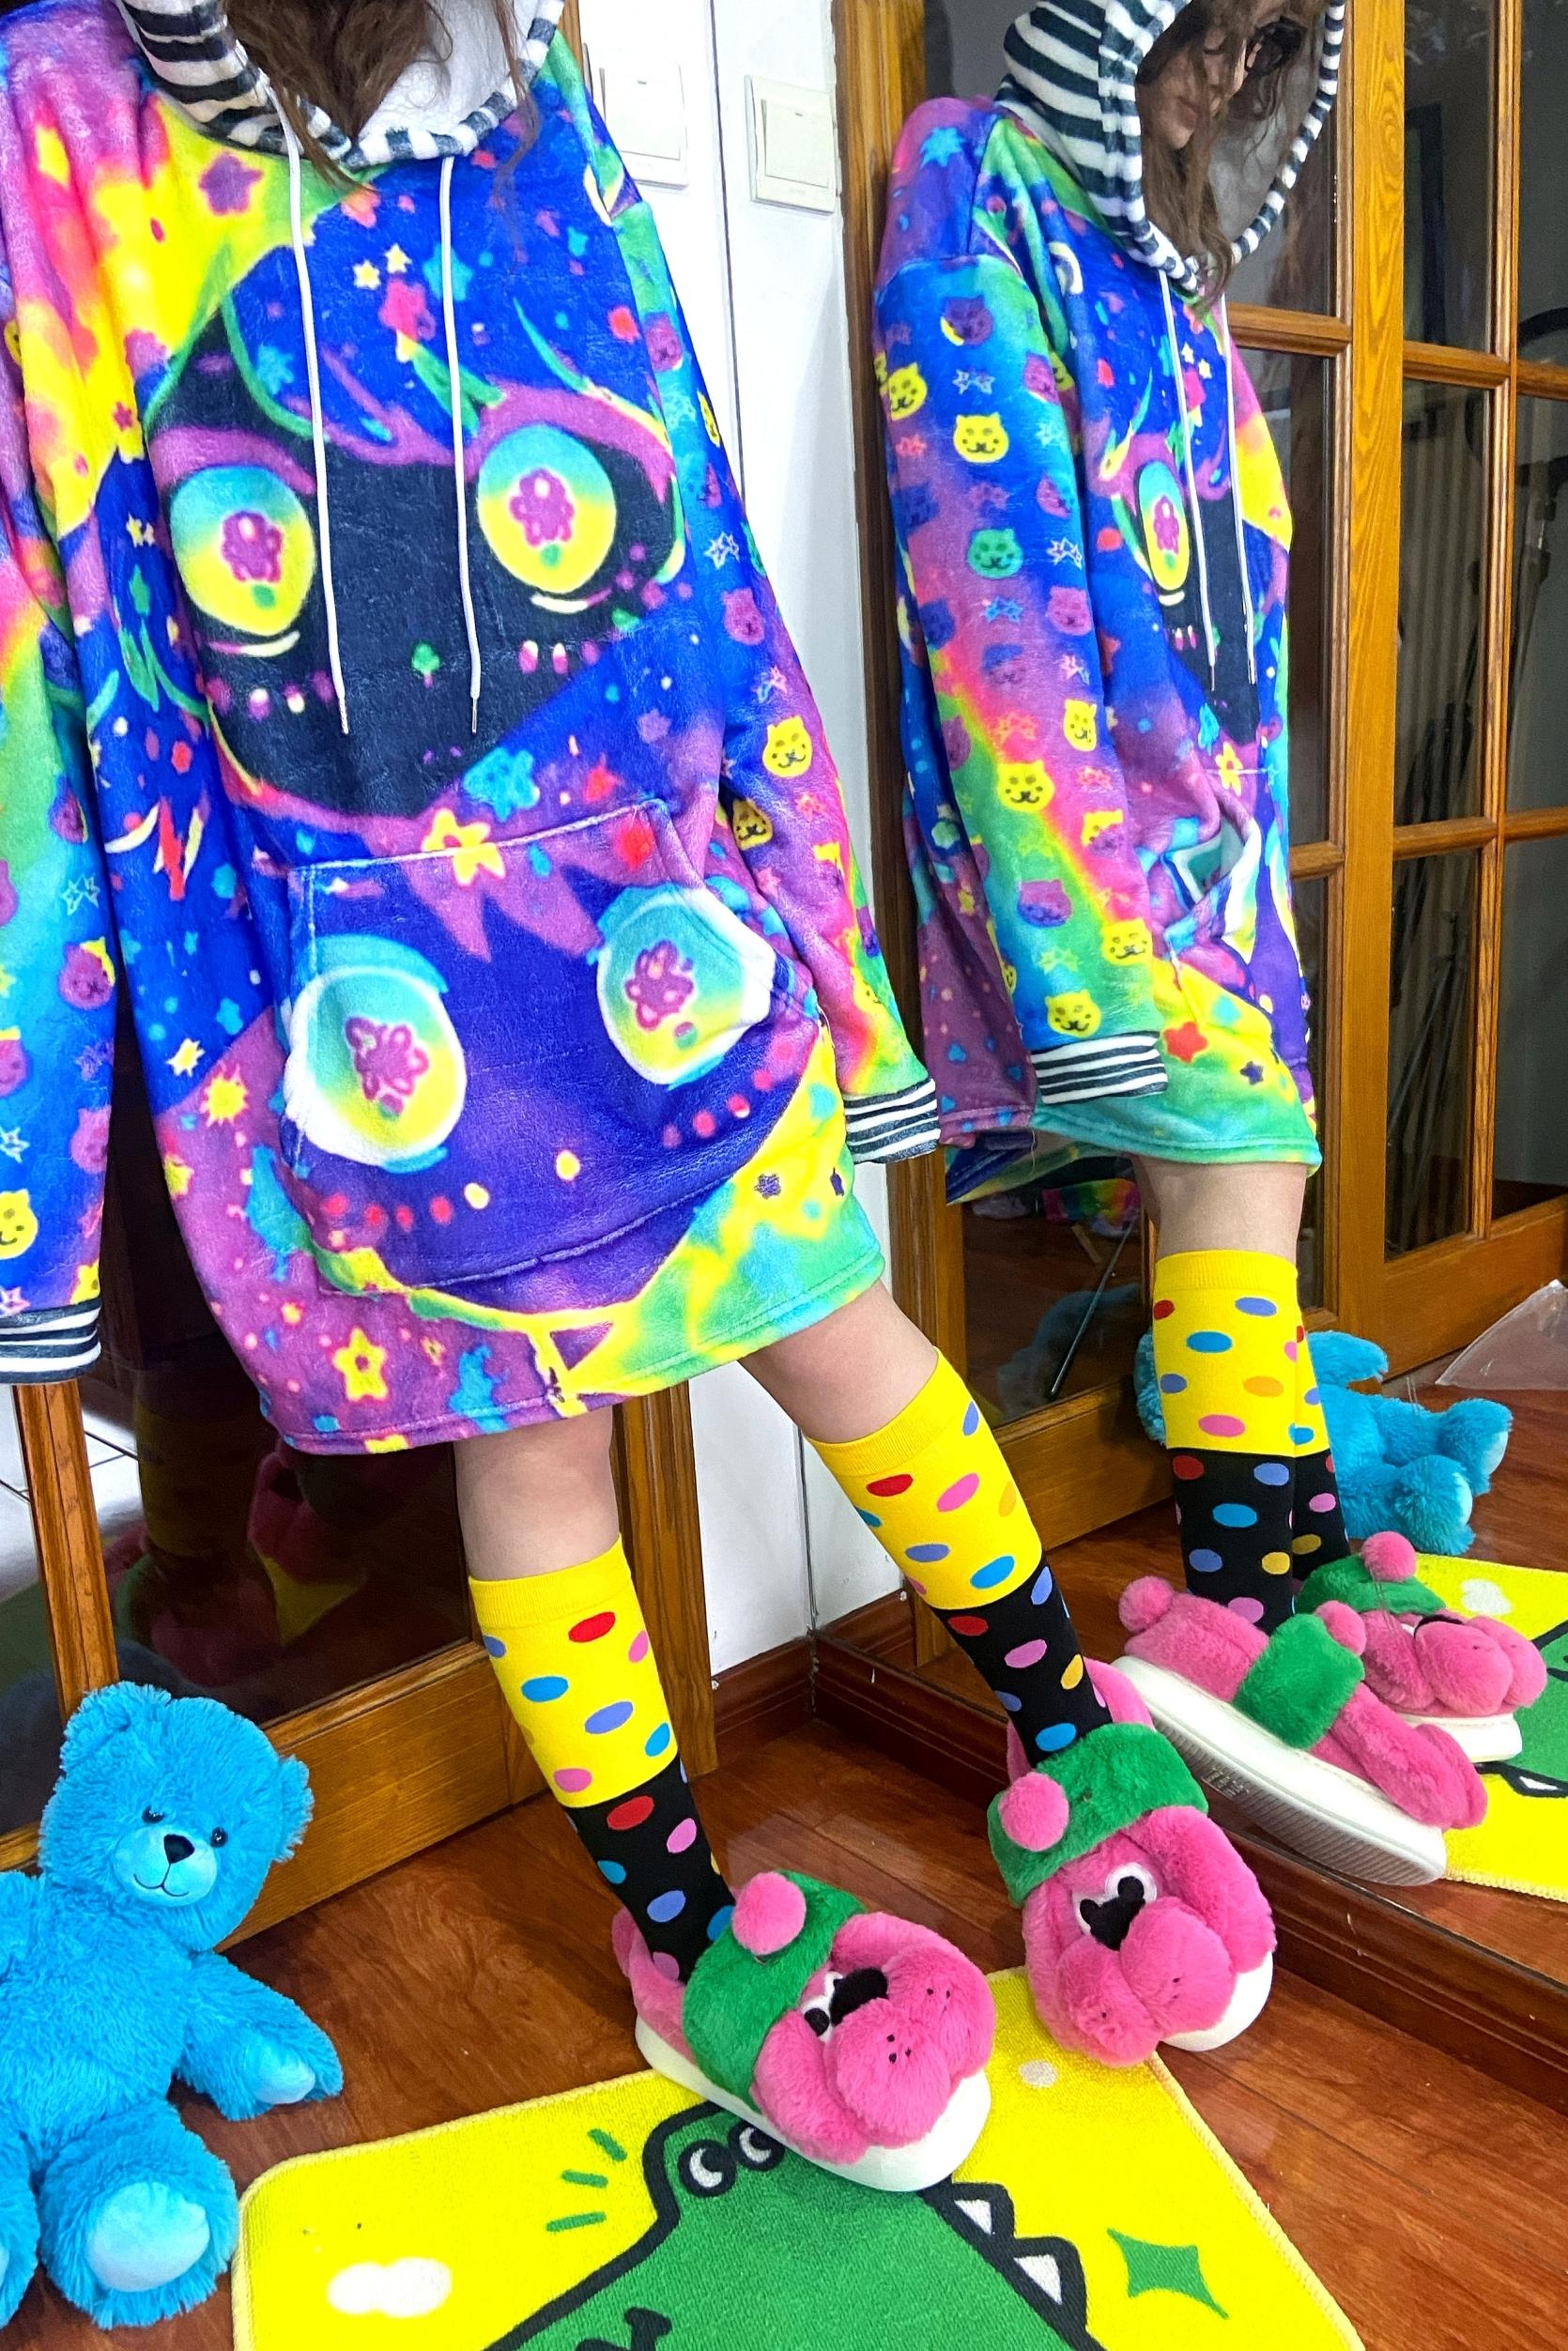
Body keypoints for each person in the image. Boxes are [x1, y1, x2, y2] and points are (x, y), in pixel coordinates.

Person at [875, 0, 1491, 1882]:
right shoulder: (972, 180)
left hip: (1214, 844)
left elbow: (1239, 590)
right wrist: (1066, 940)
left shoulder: (1177, 274)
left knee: (1253, 1191)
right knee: (1229, 1181)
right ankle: (1247, 1609)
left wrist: (1242, 857)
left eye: (1263, 47)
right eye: (1206, 29)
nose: (1221, 79)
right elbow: (982, 575)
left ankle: (1277, 1583)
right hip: (1084, 841)